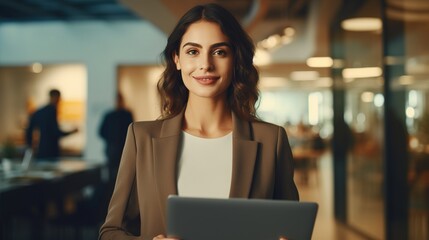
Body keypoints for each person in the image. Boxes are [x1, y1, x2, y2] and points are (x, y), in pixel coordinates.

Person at [99, 3, 299, 240]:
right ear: (177, 59)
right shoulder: (141, 137)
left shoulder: (271, 140)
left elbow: (293, 227)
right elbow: (110, 232)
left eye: (219, 52)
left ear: (235, 59)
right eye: (193, 51)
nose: (206, 64)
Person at [25, 89, 78, 160]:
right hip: (51, 151)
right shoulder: (52, 111)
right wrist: (72, 132)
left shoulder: (39, 112)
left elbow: (29, 130)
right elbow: (56, 132)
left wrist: (30, 146)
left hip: (41, 150)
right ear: (56, 97)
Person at [99, 92, 134, 183]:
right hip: (116, 148)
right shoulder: (123, 115)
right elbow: (101, 132)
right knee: (115, 174)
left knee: (120, 173)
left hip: (118, 148)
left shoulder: (123, 114)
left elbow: (101, 132)